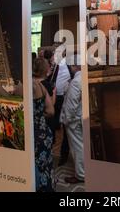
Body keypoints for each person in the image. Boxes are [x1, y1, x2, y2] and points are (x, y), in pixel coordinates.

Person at [60, 55, 84, 184]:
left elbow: (71, 104)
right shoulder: (82, 78)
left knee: (77, 147)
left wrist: (66, 120)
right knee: (81, 145)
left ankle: (80, 174)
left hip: (74, 120)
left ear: (75, 66)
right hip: (81, 117)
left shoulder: (76, 81)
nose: (70, 68)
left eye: (71, 66)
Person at [33, 59, 55, 192]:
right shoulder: (42, 86)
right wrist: (40, 116)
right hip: (44, 132)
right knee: (46, 166)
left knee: (34, 168)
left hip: (33, 135)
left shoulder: (24, 86)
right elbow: (51, 111)